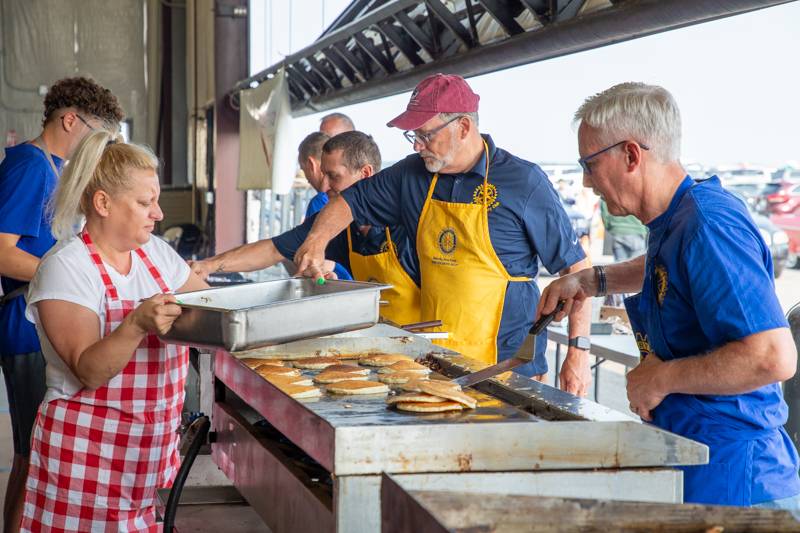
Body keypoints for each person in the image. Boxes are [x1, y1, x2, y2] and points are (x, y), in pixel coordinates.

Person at [537, 82, 800, 510]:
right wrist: (590, 281)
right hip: (696, 456)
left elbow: (772, 357)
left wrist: (660, 378)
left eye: (589, 164)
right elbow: (665, 266)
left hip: (737, 478)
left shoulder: (708, 226)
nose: (586, 182)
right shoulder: (677, 221)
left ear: (631, 155)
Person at [295, 74, 592, 395]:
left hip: (509, 368)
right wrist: (316, 242)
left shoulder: (523, 182)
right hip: (436, 365)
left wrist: (578, 351)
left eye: (426, 135)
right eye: (414, 136)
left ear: (463, 127)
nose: (418, 145)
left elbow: (576, 269)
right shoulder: (411, 175)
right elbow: (350, 202)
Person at [20, 130, 208, 531]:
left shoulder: (154, 254)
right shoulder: (67, 268)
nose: (158, 214)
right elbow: (88, 370)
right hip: (86, 461)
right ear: (103, 203)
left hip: (149, 457)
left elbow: (211, 309)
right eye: (145, 203)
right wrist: (137, 323)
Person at [0, 76, 124, 532]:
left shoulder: (54, 168)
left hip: (43, 319)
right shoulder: (31, 167)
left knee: (37, 454)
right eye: (99, 135)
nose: (100, 147)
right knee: (36, 455)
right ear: (70, 119)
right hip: (26, 323)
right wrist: (68, 279)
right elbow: (2, 249)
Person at [191, 131, 420, 325]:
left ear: (366, 174)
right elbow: (272, 249)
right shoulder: (334, 225)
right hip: (378, 333)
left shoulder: (407, 220)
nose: (325, 186)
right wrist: (208, 265)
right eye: (324, 175)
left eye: (334, 177)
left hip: (422, 339)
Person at [296, 131, 351, 280]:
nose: (307, 179)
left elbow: (311, 261)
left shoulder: (319, 202)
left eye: (303, 169)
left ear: (311, 165)